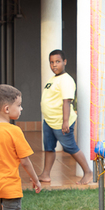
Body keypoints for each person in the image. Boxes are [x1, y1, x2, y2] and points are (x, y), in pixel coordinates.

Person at [40, 49, 94, 185]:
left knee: (70, 147)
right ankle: (45, 174)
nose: (54, 65)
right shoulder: (53, 79)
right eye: (51, 62)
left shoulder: (66, 80)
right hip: (49, 121)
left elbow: (66, 101)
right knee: (49, 147)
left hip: (60, 122)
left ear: (64, 62)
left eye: (57, 61)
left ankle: (88, 172)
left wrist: (65, 122)